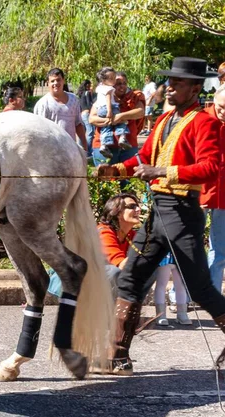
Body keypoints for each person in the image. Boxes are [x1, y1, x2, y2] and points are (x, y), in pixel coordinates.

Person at [96, 57, 225, 375]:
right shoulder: (167, 118)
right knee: (131, 278)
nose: (169, 86)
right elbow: (143, 156)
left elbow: (210, 169)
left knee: (200, 289)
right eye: (169, 81)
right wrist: (115, 170)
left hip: (182, 215)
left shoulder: (205, 123)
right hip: (158, 214)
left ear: (195, 88)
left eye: (177, 83)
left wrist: (161, 171)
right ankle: (117, 357)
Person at [48, 193, 141, 299]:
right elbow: (121, 265)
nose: (138, 209)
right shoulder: (104, 232)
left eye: (138, 206)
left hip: (94, 280)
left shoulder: (130, 234)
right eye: (132, 207)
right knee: (114, 272)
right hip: (73, 281)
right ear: (117, 212)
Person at [89, 71, 145, 167]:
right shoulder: (103, 98)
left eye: (124, 83)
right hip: (103, 146)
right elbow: (92, 119)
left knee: (127, 179)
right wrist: (110, 121)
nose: (122, 86)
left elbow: (140, 112)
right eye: (118, 84)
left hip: (128, 145)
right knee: (106, 178)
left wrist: (120, 117)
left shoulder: (134, 97)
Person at [200, 84, 225, 294]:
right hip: (200, 191)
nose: (223, 112)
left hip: (224, 196)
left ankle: (213, 295)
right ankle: (182, 294)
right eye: (221, 107)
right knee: (191, 246)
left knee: (220, 250)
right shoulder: (201, 121)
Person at [33, 68, 88, 154]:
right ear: (48, 83)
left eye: (58, 80)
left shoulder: (73, 100)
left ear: (63, 81)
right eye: (52, 81)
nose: (56, 83)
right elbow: (39, 131)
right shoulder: (43, 104)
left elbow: (78, 124)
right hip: (51, 152)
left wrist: (84, 145)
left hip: (71, 149)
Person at [94, 67, 131, 158]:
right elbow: (108, 99)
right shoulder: (109, 88)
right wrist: (110, 111)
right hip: (109, 108)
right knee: (121, 121)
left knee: (106, 127)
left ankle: (104, 146)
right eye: (112, 79)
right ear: (104, 79)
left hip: (100, 109)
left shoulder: (99, 87)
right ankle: (122, 138)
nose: (113, 81)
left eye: (114, 78)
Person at [153, 253, 191, 326]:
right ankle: (160, 315)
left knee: (181, 285)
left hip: (180, 254)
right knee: (161, 284)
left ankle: (182, 314)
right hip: (165, 254)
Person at [77, 79, 95, 153]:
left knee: (84, 132)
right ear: (87, 85)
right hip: (87, 113)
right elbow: (90, 104)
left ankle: (81, 150)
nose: (91, 86)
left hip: (82, 114)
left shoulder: (81, 94)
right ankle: (88, 151)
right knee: (90, 131)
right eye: (90, 85)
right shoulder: (87, 93)